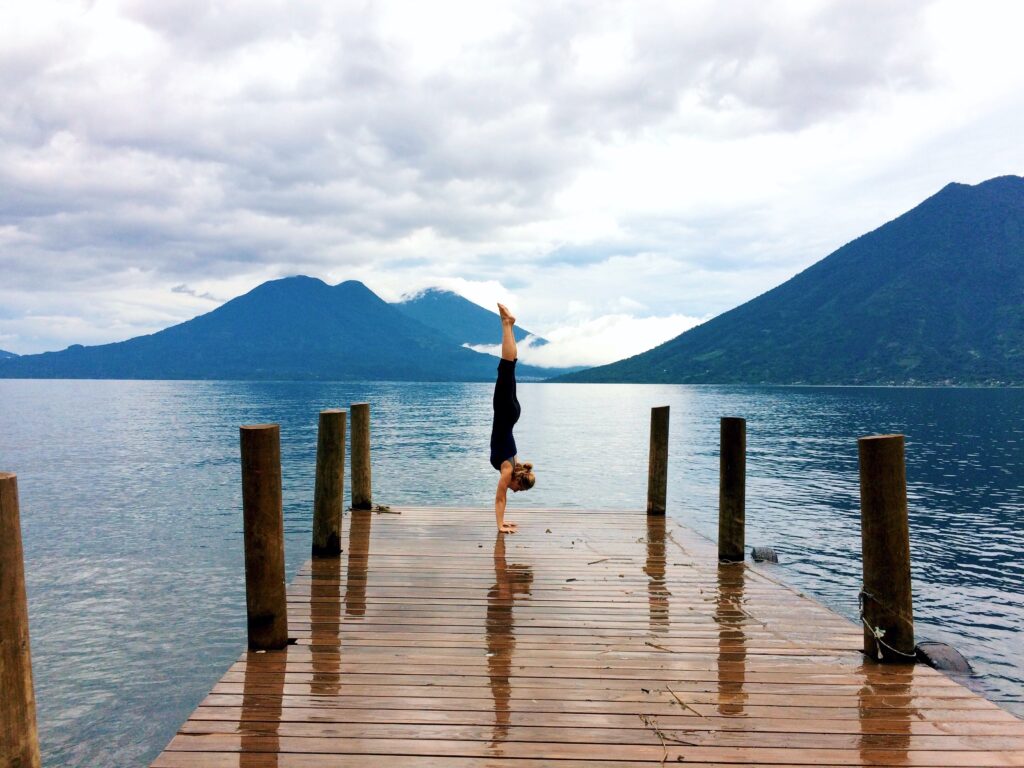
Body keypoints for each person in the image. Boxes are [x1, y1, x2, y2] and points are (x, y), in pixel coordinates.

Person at [491, 303, 535, 533]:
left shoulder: (514, 464)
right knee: (506, 368)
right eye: (518, 489)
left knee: (509, 368)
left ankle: (507, 325)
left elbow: (503, 498)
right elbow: (500, 498)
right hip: (506, 411)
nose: (515, 491)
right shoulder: (508, 469)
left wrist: (503, 521)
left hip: (511, 413)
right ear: (517, 479)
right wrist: (500, 526)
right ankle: (507, 324)